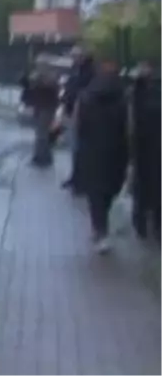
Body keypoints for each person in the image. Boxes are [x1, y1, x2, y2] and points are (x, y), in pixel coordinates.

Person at [74, 59, 131, 254]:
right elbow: (127, 128)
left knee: (95, 193)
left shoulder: (86, 98)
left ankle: (100, 229)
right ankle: (101, 228)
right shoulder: (123, 100)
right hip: (116, 151)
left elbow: (80, 128)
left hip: (91, 151)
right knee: (109, 191)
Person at [129, 61, 162, 240]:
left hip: (143, 148)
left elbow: (132, 125)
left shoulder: (135, 94)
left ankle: (141, 223)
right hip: (155, 147)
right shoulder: (153, 93)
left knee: (142, 188)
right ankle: (156, 225)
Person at [61, 46, 95, 192]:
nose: (73, 58)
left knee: (80, 149)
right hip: (71, 112)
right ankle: (75, 177)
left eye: (76, 55)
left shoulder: (88, 72)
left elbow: (83, 93)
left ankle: (81, 180)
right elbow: (70, 89)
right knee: (74, 148)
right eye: (73, 55)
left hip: (81, 115)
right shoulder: (75, 70)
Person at [23, 68, 61, 167]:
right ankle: (43, 157)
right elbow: (26, 85)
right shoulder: (39, 80)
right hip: (41, 107)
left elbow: (48, 90)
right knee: (41, 133)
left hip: (46, 108)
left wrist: (37, 81)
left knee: (42, 134)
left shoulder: (51, 82)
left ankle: (41, 158)